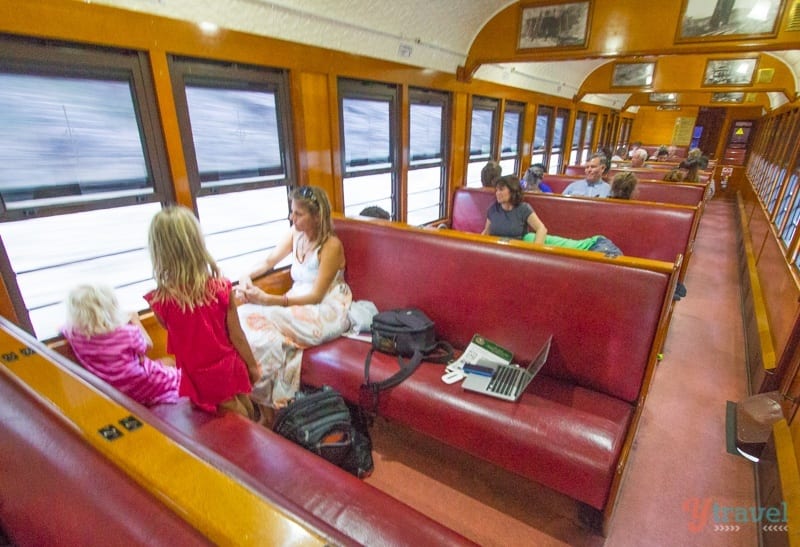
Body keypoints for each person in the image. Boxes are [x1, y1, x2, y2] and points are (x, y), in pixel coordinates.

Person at [237, 186, 353, 414]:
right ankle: (266, 403)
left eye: (298, 214)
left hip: (324, 308)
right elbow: (269, 260)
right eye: (292, 212)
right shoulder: (295, 233)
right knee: (242, 316)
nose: (292, 218)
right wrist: (245, 276)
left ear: (317, 216)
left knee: (262, 320)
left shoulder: (331, 246)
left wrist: (267, 300)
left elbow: (316, 295)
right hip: (295, 300)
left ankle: (272, 405)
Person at [145, 206, 259, 420]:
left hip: (201, 376)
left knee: (235, 411)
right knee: (243, 406)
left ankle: (250, 443)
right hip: (228, 365)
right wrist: (252, 366)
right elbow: (237, 335)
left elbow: (178, 335)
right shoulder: (220, 288)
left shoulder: (160, 301)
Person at [62, 283, 181, 406]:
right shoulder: (126, 332)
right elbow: (148, 345)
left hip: (113, 389)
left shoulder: (74, 335)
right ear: (111, 307)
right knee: (178, 374)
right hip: (139, 383)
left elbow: (64, 328)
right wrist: (136, 320)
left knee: (167, 363)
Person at [481, 175, 547, 243]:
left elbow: (541, 229)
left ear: (512, 191)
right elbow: (486, 232)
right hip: (495, 249)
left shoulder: (523, 209)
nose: (497, 193)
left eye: (501, 189)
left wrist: (535, 250)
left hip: (516, 250)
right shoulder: (493, 209)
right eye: (497, 190)